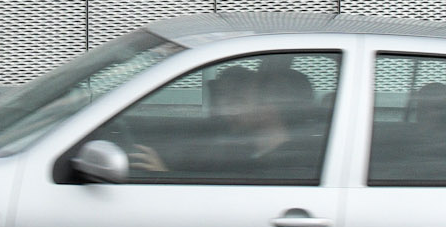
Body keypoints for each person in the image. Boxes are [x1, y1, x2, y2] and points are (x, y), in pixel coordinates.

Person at [128, 60, 326, 181]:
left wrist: (162, 178)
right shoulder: (243, 149)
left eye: (238, 100)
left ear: (269, 108)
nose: (226, 108)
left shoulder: (289, 166)